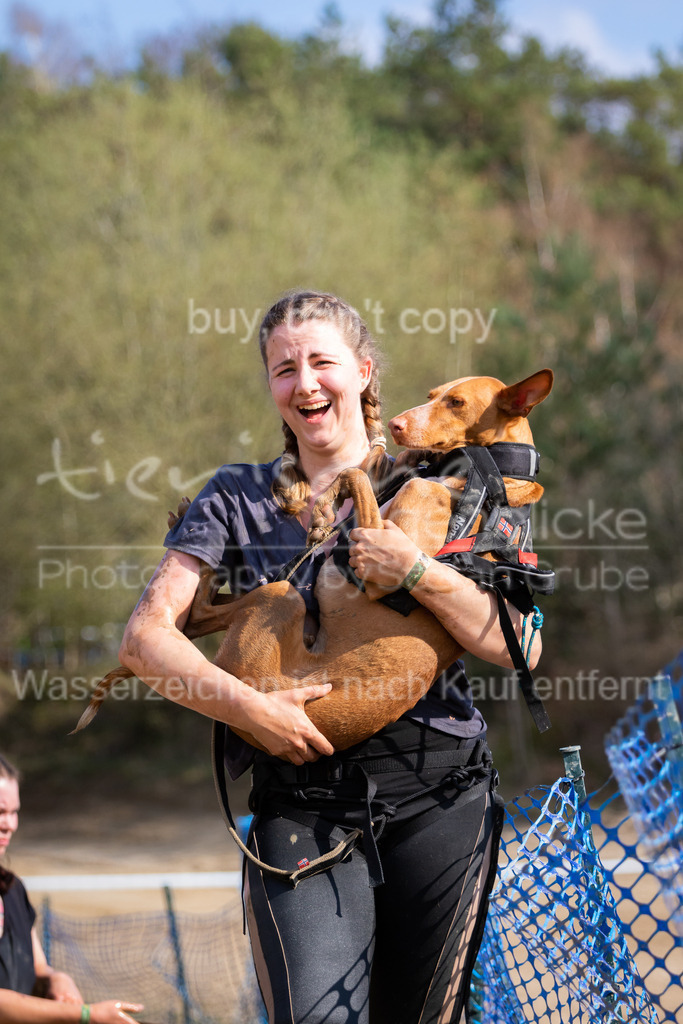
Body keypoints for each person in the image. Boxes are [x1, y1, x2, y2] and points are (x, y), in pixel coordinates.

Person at [119, 291, 541, 1024]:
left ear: (364, 372)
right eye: (284, 369)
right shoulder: (232, 497)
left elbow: (523, 646)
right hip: (301, 807)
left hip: (441, 797)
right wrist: (251, 708)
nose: (305, 382)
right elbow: (144, 639)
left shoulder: (449, 481)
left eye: (322, 361)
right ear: (271, 389)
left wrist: (417, 572)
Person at [0, 755, 143, 1024]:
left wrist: (57, 978)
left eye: (14, 812)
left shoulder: (12, 888)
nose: (9, 825)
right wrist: (86, 1015)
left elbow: (38, 967)